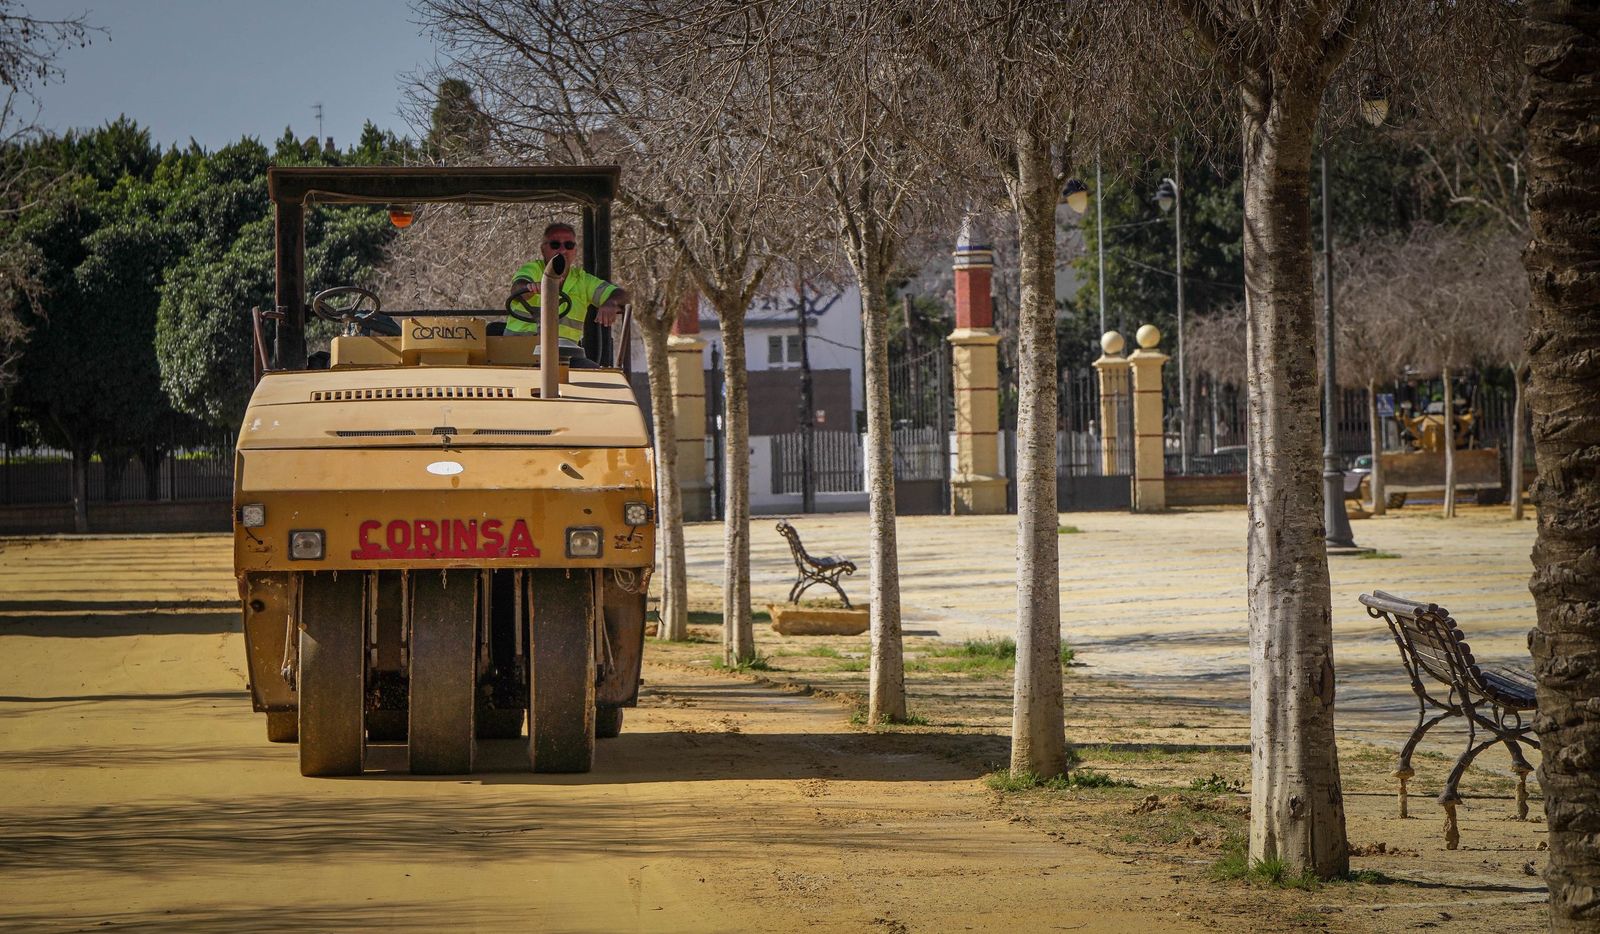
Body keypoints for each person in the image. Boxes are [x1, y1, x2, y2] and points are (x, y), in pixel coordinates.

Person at [506, 222, 627, 366]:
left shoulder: (583, 281)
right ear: (543, 249)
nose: (562, 250)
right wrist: (530, 288)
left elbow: (622, 294)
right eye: (555, 245)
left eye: (569, 245)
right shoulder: (532, 270)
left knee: (600, 378)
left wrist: (611, 302)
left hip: (565, 357)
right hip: (517, 354)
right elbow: (518, 288)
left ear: (575, 250)